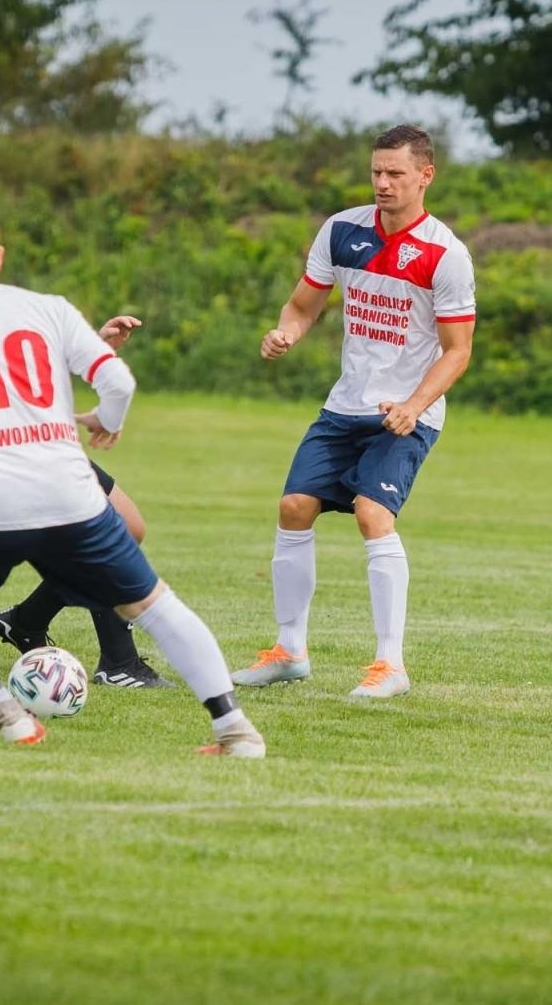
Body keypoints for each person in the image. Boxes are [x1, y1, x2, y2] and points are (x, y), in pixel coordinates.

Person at [0, 196, 262, 756]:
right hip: (69, 493)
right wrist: (104, 421)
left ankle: (7, 713)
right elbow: (118, 383)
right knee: (154, 605)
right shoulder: (49, 308)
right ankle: (234, 730)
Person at [0, 177, 171, 690]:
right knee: (103, 523)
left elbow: (9, 352)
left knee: (127, 525)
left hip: (29, 432)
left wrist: (93, 344)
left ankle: (27, 621)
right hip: (3, 441)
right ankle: (119, 660)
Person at [229, 124, 475, 698]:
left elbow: (458, 351)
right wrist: (286, 333)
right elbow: (302, 305)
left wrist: (414, 405)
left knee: (372, 513)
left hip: (408, 411)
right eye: (376, 172)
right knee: (293, 506)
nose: (383, 183)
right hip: (346, 405)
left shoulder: (445, 253)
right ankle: (289, 651)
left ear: (425, 176)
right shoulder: (342, 230)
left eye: (396, 174)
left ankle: (391, 666)